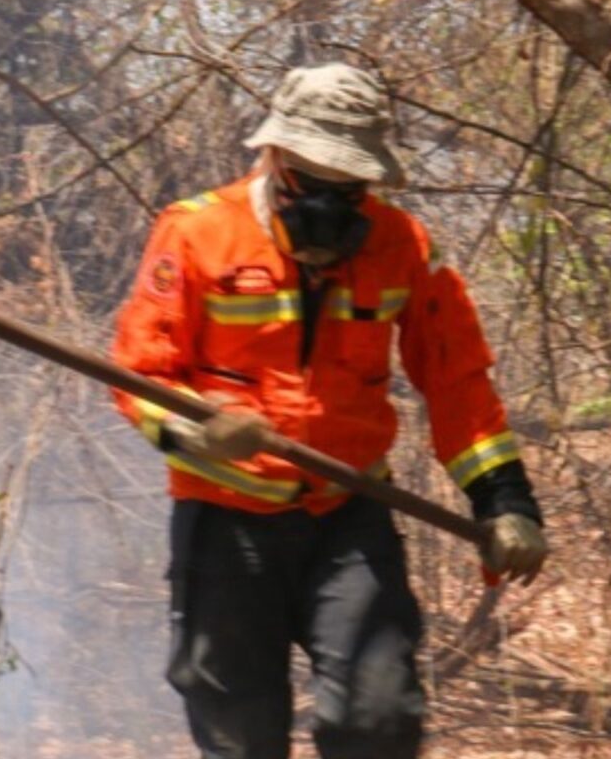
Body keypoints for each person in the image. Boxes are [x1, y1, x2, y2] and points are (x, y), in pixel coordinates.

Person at [112, 62, 548, 759]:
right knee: (241, 738)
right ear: (275, 156)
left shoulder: (403, 246)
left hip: (345, 516)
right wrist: (199, 430)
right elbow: (139, 371)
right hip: (227, 524)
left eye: (349, 187)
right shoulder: (197, 234)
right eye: (313, 181)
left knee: (377, 723)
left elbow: (458, 382)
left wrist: (504, 499)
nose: (331, 202)